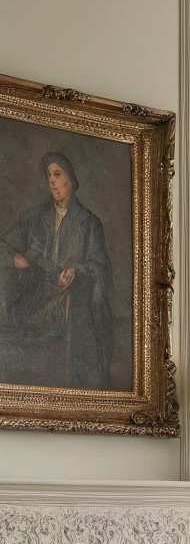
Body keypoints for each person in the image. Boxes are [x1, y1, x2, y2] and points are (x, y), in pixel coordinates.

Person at [2, 152, 114, 389]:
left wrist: (76, 270)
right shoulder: (36, 217)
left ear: (70, 180)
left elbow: (100, 268)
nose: (51, 181)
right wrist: (16, 258)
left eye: (57, 174)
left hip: (72, 305)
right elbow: (8, 244)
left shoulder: (89, 222)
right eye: (48, 176)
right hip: (37, 297)